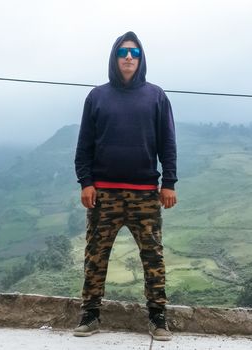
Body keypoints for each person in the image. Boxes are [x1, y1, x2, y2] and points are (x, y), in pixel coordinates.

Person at [74, 31, 177, 341]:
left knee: (153, 258)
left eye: (134, 52)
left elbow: (167, 144)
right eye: (123, 52)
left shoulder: (156, 96)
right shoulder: (97, 96)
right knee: (95, 256)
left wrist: (168, 183)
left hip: (145, 194)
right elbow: (84, 146)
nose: (129, 57)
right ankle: (90, 315)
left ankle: (158, 318)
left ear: (141, 58)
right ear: (114, 58)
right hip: (103, 193)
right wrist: (86, 183)